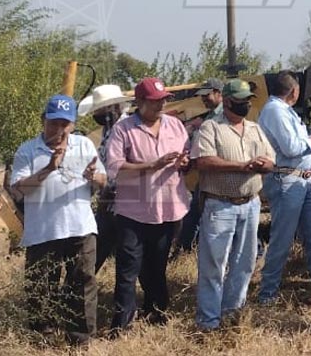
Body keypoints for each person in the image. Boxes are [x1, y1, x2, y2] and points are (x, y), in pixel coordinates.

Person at [11, 94, 107, 345]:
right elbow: (18, 188)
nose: (59, 129)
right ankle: (42, 339)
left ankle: (80, 340)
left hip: (80, 228)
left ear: (73, 125)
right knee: (40, 287)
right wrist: (48, 169)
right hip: (42, 231)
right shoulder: (28, 149)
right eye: (53, 122)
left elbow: (103, 180)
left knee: (82, 285)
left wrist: (92, 177)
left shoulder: (84, 145)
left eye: (65, 124)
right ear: (43, 121)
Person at [104, 77, 192, 331]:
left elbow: (186, 158)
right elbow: (115, 169)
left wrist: (184, 163)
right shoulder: (124, 130)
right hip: (134, 212)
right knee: (128, 271)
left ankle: (157, 313)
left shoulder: (175, 126)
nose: (160, 106)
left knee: (157, 266)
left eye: (163, 100)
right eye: (154, 101)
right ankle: (122, 325)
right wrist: (152, 165)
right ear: (140, 102)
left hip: (168, 208)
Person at [191, 79, 276, 331]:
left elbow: (272, 161)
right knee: (213, 264)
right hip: (220, 205)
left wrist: (264, 165)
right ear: (227, 101)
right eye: (241, 101)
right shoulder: (211, 128)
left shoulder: (254, 128)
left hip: (250, 204)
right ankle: (208, 321)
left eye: (248, 100)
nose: (247, 104)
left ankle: (232, 313)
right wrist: (242, 166)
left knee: (245, 261)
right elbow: (203, 161)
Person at [257, 71, 311, 302]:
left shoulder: (284, 111)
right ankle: (267, 293)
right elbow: (292, 148)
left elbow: (298, 145)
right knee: (282, 237)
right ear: (295, 91)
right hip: (287, 179)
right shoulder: (275, 111)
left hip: (301, 179)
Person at [77, 83, 131, 273]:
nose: (97, 113)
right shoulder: (108, 131)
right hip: (108, 201)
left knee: (128, 260)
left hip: (125, 203)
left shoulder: (128, 130)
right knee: (95, 255)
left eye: (100, 109)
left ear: (114, 108)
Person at [175, 77, 226, 255]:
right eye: (202, 95)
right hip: (207, 172)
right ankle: (184, 248)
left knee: (201, 213)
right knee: (197, 212)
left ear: (219, 94)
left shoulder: (222, 115)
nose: (204, 99)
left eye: (207, 95)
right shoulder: (210, 116)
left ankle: (183, 249)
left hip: (216, 173)